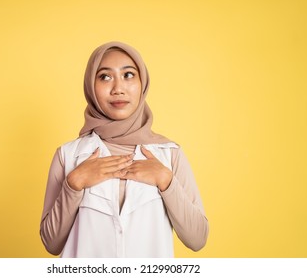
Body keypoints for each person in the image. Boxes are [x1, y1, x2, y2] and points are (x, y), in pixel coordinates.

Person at [40, 41, 209, 258]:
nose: (118, 88)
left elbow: (198, 238)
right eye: (105, 77)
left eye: (128, 75)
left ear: (143, 83)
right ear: (91, 86)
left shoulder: (169, 154)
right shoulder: (68, 156)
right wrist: (74, 183)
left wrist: (166, 181)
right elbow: (51, 243)